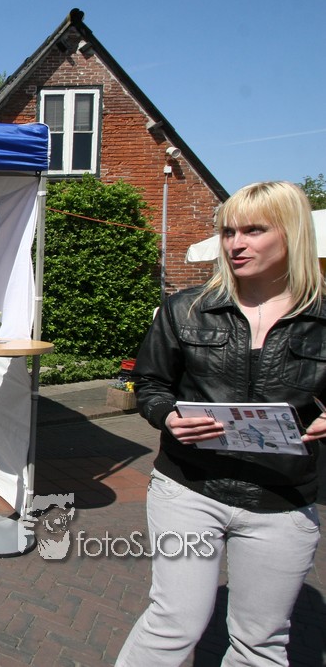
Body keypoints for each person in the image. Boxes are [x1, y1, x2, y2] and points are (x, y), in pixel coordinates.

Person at [117, 181, 325, 666]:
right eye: (229, 231)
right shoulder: (186, 308)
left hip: (281, 502)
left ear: (292, 233)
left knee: (260, 643)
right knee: (173, 623)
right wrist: (167, 416)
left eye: (254, 230)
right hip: (188, 489)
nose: (236, 243)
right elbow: (150, 383)